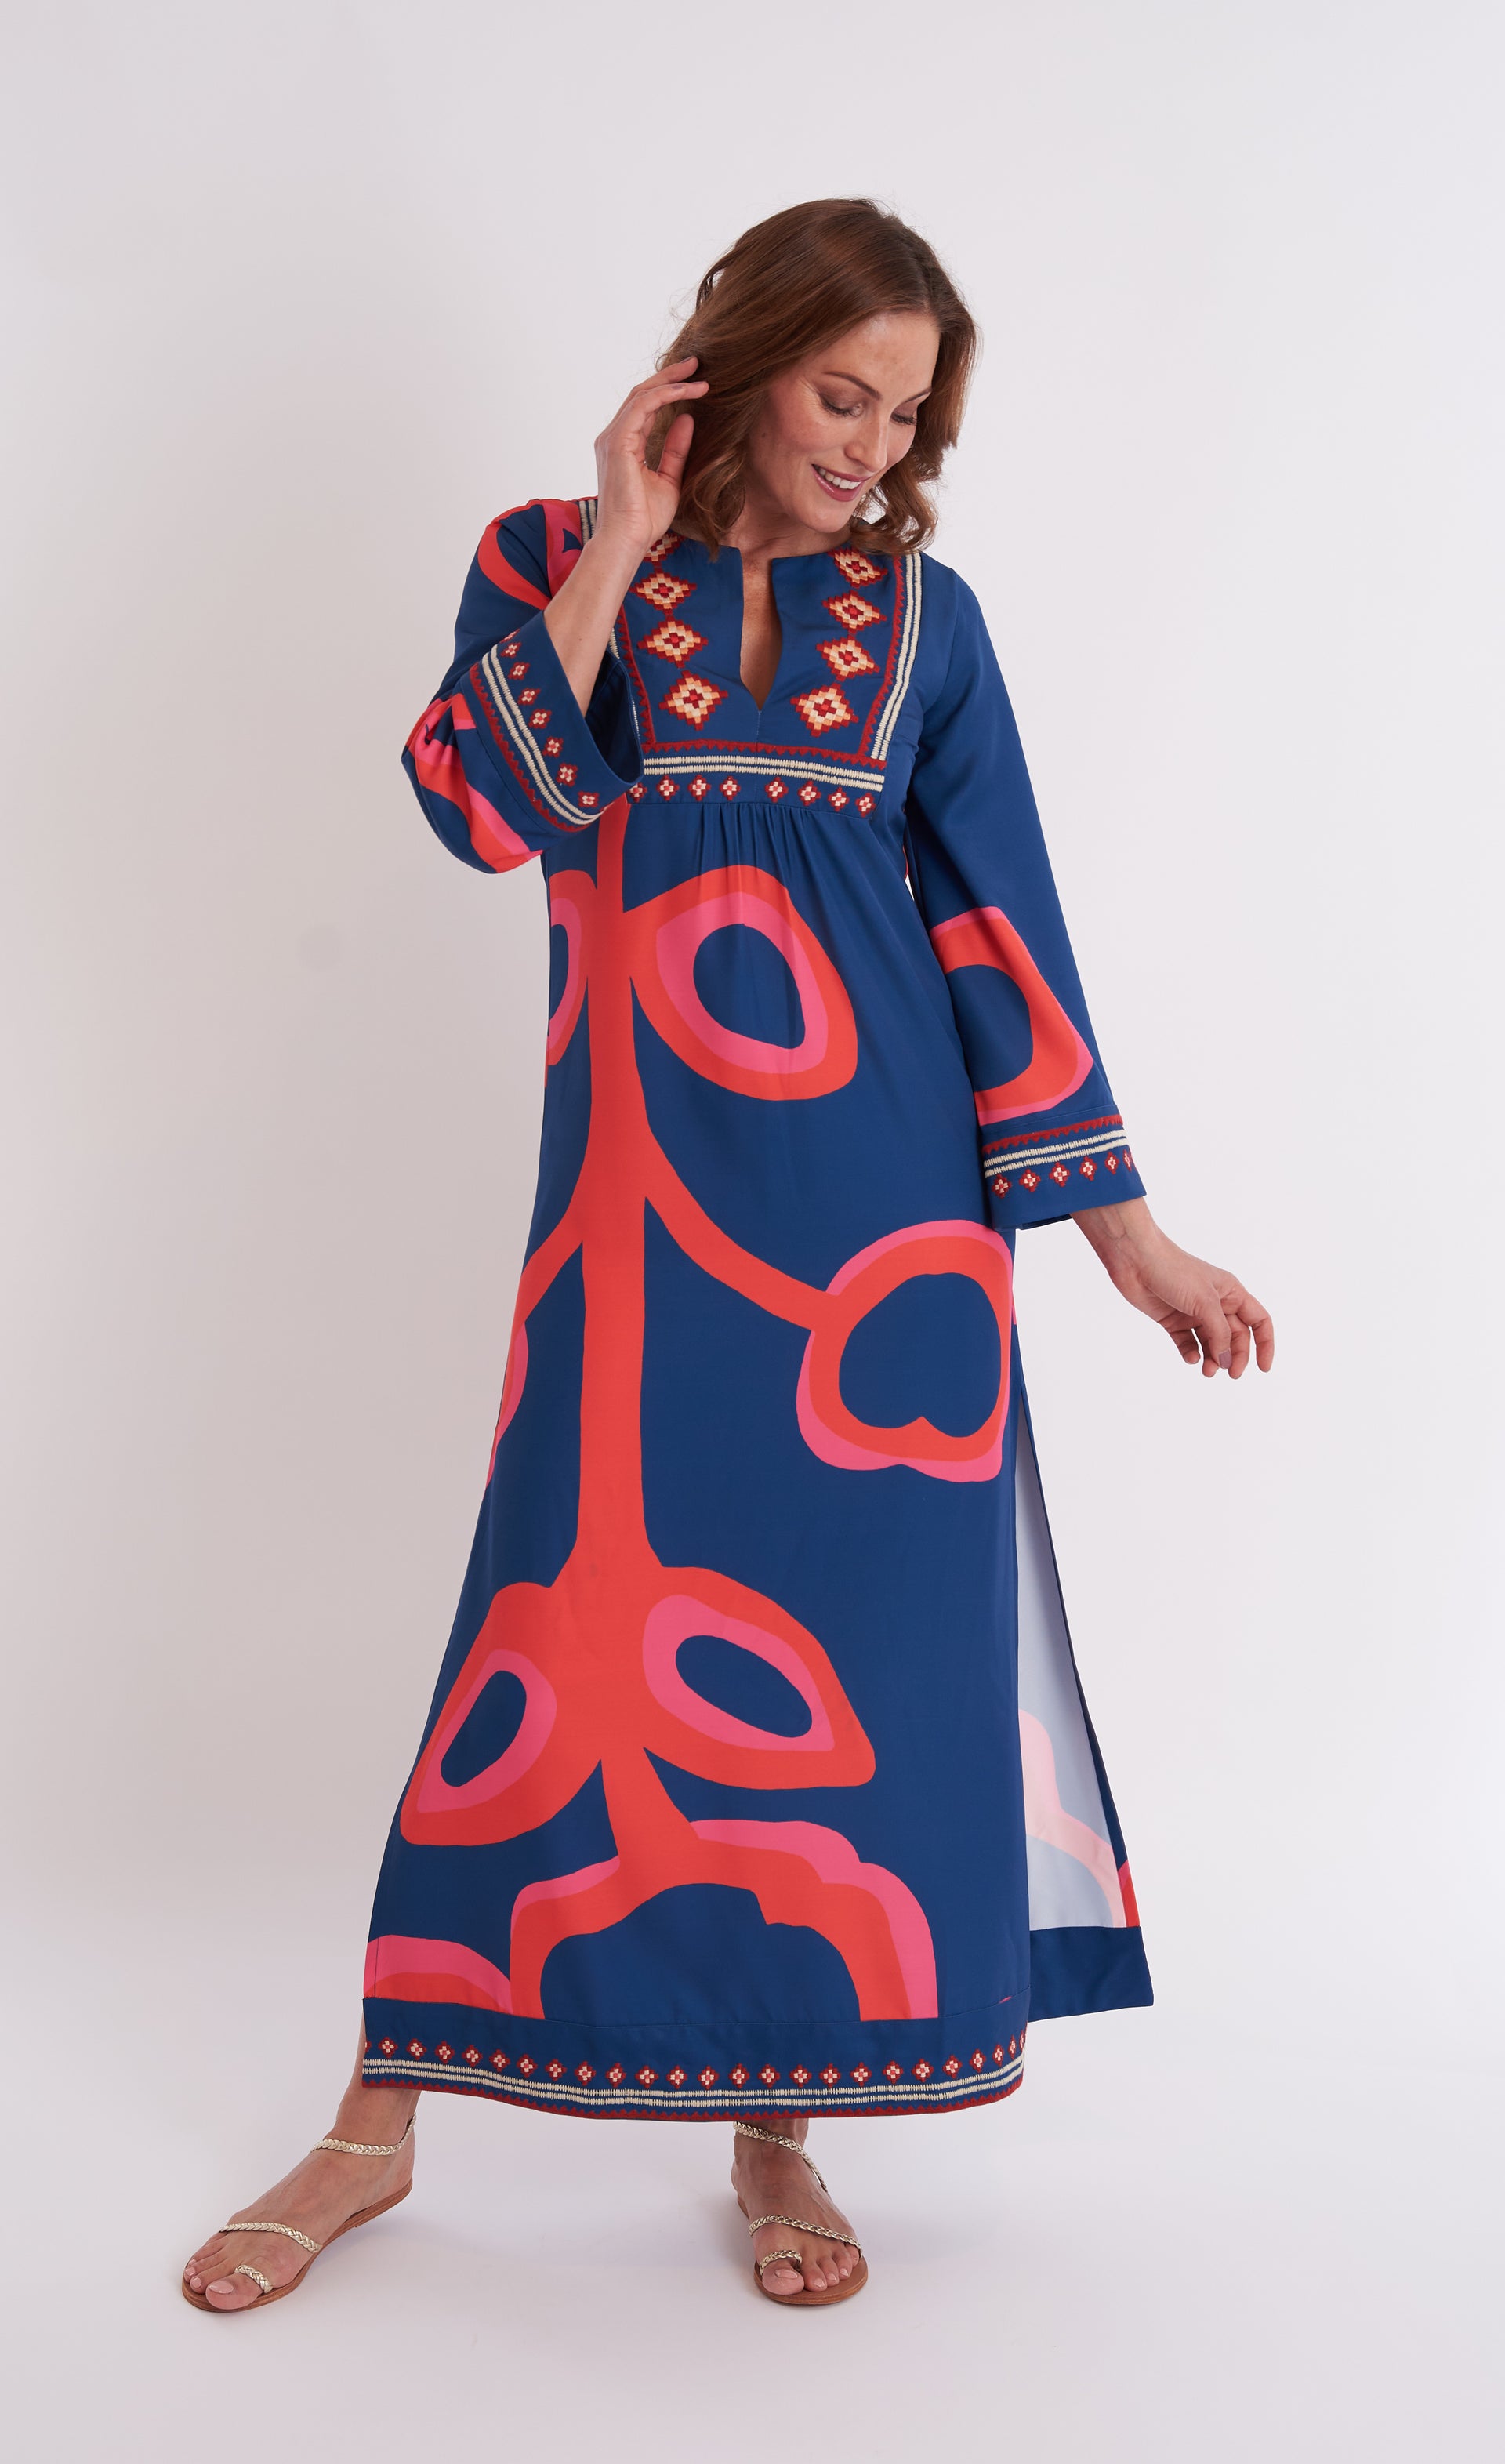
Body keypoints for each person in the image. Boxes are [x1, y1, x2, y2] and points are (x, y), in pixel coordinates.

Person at [183, 197, 1272, 2316]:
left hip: (893, 1235)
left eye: (907, 415)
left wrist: (1126, 1238)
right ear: (743, 364)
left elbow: (1001, 931)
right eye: (842, 394)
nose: (871, 445)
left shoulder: (927, 627)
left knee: (850, 1670)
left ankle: (781, 2121)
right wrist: (615, 533)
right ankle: (374, 2127)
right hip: (638, 1219)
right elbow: (478, 808)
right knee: (554, 1622)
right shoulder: (545, 560)